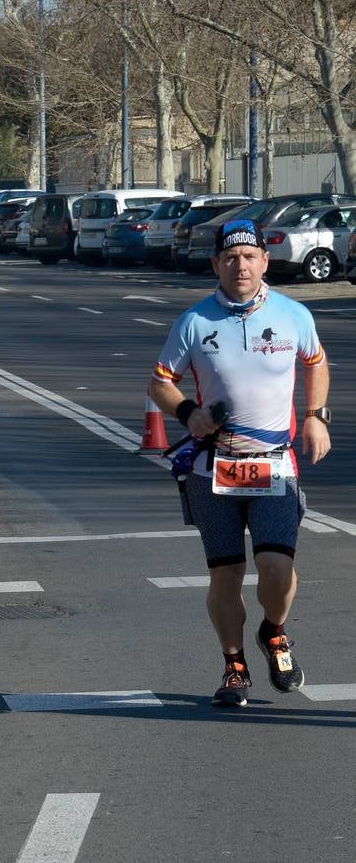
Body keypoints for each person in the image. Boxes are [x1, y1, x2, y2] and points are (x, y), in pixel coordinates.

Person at [148, 218, 330, 708]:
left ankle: (274, 632)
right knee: (225, 577)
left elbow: (315, 362)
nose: (240, 265)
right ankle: (234, 665)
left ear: (265, 262)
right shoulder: (194, 321)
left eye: (249, 257)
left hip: (275, 466)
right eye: (230, 258)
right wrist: (189, 412)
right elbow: (160, 382)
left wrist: (315, 417)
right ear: (216, 265)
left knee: (277, 570)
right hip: (215, 470)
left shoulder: (294, 315)